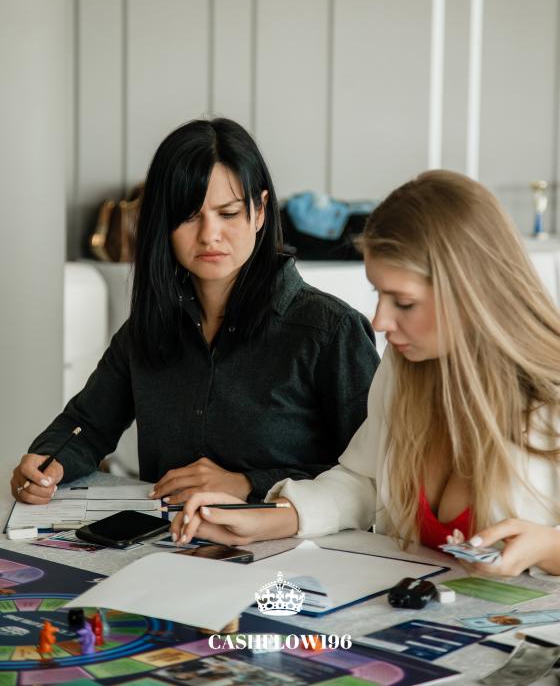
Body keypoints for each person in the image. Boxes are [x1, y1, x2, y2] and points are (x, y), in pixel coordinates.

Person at [171, 170, 560, 577]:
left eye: (403, 302)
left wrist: (549, 548)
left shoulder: (549, 396)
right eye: (378, 293)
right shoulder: (405, 367)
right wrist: (268, 518)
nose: (379, 321)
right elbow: (364, 481)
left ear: (472, 294)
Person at [11, 118, 379, 505]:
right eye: (188, 216)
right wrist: (47, 464)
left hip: (296, 543)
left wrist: (248, 483)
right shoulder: (147, 328)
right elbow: (85, 426)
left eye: (228, 213)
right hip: (166, 537)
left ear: (259, 211)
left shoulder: (331, 331)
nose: (209, 235)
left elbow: (373, 476)